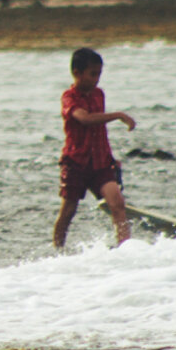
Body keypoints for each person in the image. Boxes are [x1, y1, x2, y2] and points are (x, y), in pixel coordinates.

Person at [53, 47, 136, 248]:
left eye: (99, 74)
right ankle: (57, 248)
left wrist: (111, 158)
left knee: (117, 204)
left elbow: (99, 131)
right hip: (76, 163)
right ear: (77, 73)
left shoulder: (99, 94)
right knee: (69, 209)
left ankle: (125, 248)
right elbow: (84, 119)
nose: (96, 79)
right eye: (92, 74)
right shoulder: (69, 97)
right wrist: (118, 115)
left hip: (100, 162)